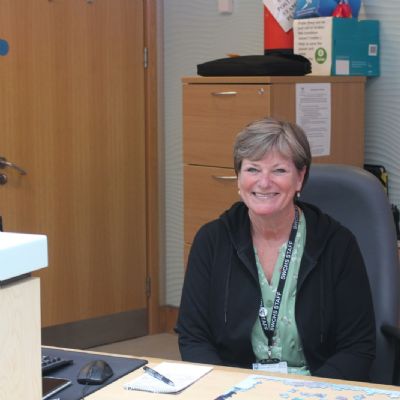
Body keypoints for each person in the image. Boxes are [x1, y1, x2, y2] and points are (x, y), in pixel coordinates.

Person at [176, 117, 376, 382]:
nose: (264, 182)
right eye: (252, 169)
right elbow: (193, 338)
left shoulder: (337, 244)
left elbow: (357, 348)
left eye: (279, 170)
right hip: (233, 388)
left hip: (315, 389)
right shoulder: (212, 241)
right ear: (238, 177)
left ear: (300, 178)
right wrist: (225, 390)